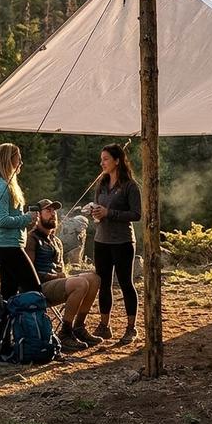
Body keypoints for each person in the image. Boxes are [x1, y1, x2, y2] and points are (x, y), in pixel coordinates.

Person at [24, 199, 103, 353]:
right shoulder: (31, 239)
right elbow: (29, 273)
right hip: (38, 288)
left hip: (57, 283)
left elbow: (61, 269)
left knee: (94, 279)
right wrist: (56, 277)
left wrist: (62, 276)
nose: (53, 214)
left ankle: (79, 327)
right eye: (48, 211)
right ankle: (65, 333)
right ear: (38, 215)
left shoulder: (55, 241)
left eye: (54, 211)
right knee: (80, 284)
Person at [91, 143, 142, 344]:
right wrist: (95, 212)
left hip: (122, 241)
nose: (101, 162)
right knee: (102, 284)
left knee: (125, 283)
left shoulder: (130, 186)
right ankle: (105, 326)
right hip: (101, 240)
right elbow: (99, 208)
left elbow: (136, 214)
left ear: (117, 160)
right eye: (101, 159)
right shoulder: (101, 184)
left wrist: (109, 213)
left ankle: (131, 328)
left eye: (105, 159)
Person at [0, 143, 40, 300]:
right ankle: (30, 323)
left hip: (7, 245)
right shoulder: (1, 186)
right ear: (9, 159)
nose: (21, 161)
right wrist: (27, 218)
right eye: (18, 158)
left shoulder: (5, 183)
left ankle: (3, 323)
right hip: (8, 246)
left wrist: (26, 221)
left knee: (9, 292)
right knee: (34, 288)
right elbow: (2, 220)